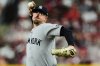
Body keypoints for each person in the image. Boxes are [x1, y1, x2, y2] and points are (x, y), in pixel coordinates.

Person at [26, 1, 77, 66]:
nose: (37, 15)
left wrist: (71, 45)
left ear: (46, 18)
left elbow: (67, 31)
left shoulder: (46, 27)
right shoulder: (32, 31)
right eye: (35, 13)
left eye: (41, 14)